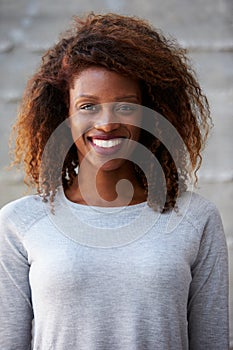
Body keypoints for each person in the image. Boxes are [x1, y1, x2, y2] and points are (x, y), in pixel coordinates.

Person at [0, 12, 229, 350]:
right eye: (88, 106)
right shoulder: (19, 223)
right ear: (62, 114)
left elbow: (213, 341)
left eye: (125, 106)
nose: (106, 123)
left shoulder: (196, 219)